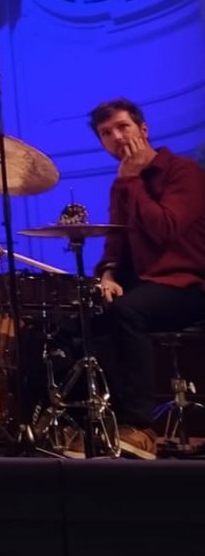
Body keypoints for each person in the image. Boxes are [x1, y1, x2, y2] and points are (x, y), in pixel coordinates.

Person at [86, 98, 205, 459]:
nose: (116, 137)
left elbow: (165, 228)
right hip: (143, 286)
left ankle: (138, 425)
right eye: (106, 133)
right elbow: (115, 243)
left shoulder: (182, 171)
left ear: (143, 130)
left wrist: (134, 181)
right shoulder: (121, 184)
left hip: (188, 284)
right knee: (76, 323)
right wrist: (107, 273)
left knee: (127, 313)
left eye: (122, 127)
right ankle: (86, 424)